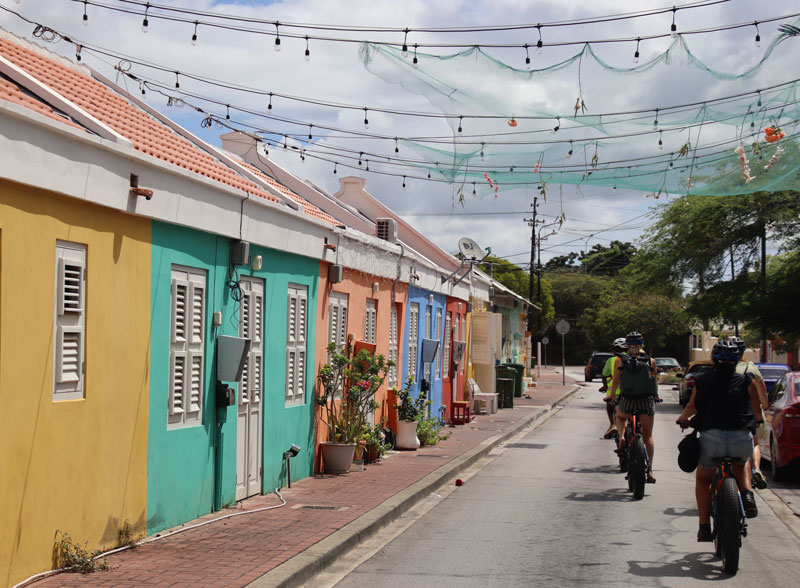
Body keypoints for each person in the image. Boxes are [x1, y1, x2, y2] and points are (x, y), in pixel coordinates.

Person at [676, 340, 762, 542]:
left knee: (704, 479)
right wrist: (756, 419)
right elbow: (757, 411)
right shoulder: (747, 380)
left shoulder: (703, 380)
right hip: (741, 437)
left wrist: (683, 419)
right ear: (738, 360)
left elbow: (692, 407)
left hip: (712, 438)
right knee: (742, 465)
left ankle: (704, 527)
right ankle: (747, 494)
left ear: (714, 359)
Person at [612, 331, 659, 483]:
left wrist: (612, 395)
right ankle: (650, 470)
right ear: (642, 344)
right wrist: (655, 396)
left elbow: (616, 380)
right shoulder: (650, 361)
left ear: (627, 345)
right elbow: (653, 381)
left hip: (627, 399)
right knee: (648, 435)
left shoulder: (620, 360)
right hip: (645, 400)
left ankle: (622, 436)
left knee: (619, 416)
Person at [729, 336, 769, 489]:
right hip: (751, 415)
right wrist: (764, 407)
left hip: (725, 416)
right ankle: (756, 468)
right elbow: (762, 395)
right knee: (754, 443)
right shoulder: (750, 368)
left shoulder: (719, 369)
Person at [600, 338, 628, 439]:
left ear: (616, 349)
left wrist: (605, 385)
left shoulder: (612, 360)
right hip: (631, 392)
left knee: (609, 404)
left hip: (615, 392)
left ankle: (613, 424)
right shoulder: (633, 358)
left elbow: (604, 374)